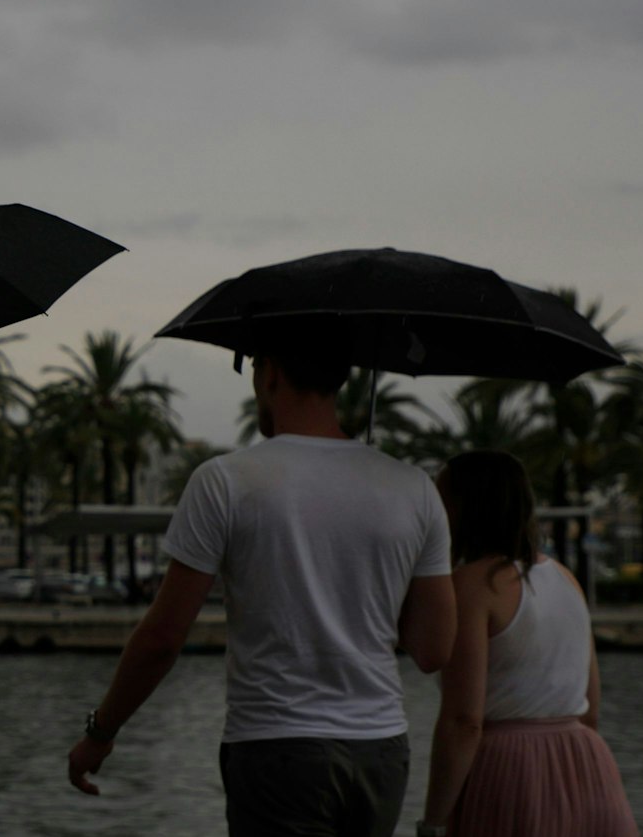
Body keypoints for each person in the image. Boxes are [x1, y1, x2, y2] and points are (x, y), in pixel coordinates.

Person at [66, 350, 456, 837]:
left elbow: (163, 638)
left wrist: (100, 733)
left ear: (270, 372)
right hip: (381, 751)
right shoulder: (416, 488)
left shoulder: (224, 481)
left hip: (276, 748)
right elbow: (434, 649)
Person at [417, 451, 637, 837]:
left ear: (465, 506)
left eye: (441, 500)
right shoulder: (567, 580)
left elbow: (464, 721)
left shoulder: (472, 586)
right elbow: (591, 708)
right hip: (586, 764)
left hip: (511, 770)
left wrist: (433, 822)